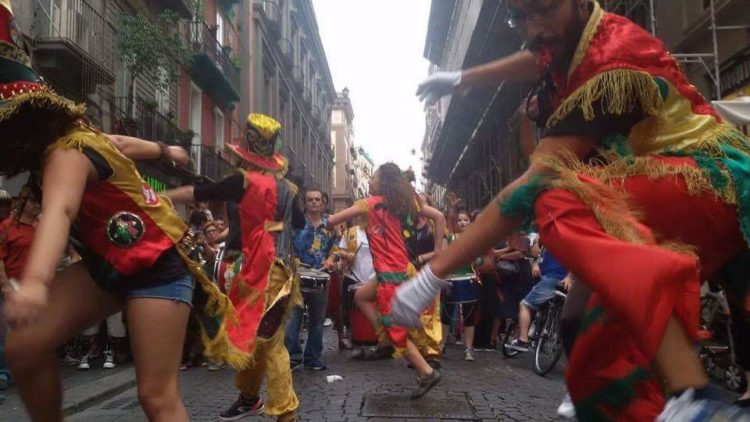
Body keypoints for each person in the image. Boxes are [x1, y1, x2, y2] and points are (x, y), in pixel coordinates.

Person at [394, 0, 750, 419]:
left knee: (557, 195)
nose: (533, 27)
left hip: (709, 182)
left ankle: (689, 393)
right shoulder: (570, 40)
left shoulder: (609, 60)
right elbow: (535, 59)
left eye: (544, 10)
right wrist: (461, 78)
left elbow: (533, 182)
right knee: (580, 327)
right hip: (663, 193)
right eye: (520, 17)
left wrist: (431, 276)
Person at [0, 2, 244, 418]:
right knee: (24, 346)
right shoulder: (82, 134)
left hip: (158, 266)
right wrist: (164, 149)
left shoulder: (65, 153)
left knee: (156, 396)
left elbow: (59, 211)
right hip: (108, 265)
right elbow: (120, 143)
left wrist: (37, 283)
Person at [165, 113, 300, 422]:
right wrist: (265, 228)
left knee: (271, 341)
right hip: (275, 269)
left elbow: (195, 194)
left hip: (262, 272)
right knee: (258, 337)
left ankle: (286, 412)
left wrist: (154, 197)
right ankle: (249, 398)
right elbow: (296, 224)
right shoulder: (289, 189)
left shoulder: (242, 180)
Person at [327, 163, 446, 399]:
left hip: (390, 275)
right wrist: (437, 250)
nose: (369, 181)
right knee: (361, 296)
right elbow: (440, 216)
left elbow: (332, 220)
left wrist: (325, 220)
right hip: (401, 269)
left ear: (382, 182)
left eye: (373, 178)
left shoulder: (369, 203)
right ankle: (384, 340)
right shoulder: (404, 202)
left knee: (396, 331)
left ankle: (426, 371)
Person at [285, 187, 339, 370]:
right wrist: (292, 260)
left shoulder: (330, 224)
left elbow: (336, 247)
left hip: (321, 277)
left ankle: (312, 357)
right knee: (293, 319)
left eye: (317, 199)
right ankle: (293, 356)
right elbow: (287, 244)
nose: (314, 202)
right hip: (298, 277)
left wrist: (331, 259)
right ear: (305, 203)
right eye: (310, 200)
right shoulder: (297, 223)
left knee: (317, 321)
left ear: (323, 204)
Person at [0, 186, 40, 393]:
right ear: (24, 203)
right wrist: (5, 286)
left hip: (32, 288)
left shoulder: (41, 226)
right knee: (6, 333)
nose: (37, 206)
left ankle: (29, 370)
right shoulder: (7, 226)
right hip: (11, 286)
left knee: (32, 331)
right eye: (33, 202)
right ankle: (3, 373)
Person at [508, 245, 570, 352]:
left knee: (525, 305)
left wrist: (569, 276)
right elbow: (536, 253)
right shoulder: (552, 241)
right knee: (533, 302)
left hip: (553, 278)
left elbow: (577, 258)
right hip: (546, 276)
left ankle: (522, 339)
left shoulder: (561, 240)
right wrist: (536, 263)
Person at [441, 210, 481, 361]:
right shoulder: (450, 238)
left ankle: (468, 349)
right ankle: (441, 345)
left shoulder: (475, 239)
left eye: (465, 220)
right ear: (456, 223)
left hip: (468, 279)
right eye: (460, 220)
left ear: (470, 222)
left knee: (469, 317)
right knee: (446, 315)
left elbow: (480, 260)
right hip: (451, 280)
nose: (462, 222)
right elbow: (443, 258)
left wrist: (475, 259)